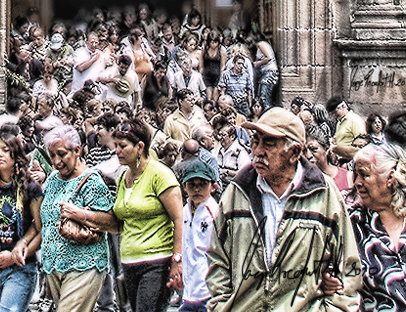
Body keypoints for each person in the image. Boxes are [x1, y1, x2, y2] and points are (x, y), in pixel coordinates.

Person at [207, 107, 362, 311]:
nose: (258, 151)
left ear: (295, 152)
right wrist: (221, 305)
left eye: (269, 144)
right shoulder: (238, 191)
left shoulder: (323, 194)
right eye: (255, 141)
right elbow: (217, 257)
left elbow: (348, 266)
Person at [60, 117, 184, 312]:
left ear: (140, 147)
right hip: (129, 262)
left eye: (122, 146)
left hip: (157, 260)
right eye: (115, 145)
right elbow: (118, 223)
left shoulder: (160, 174)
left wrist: (177, 260)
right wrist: (84, 216)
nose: (116, 151)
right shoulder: (123, 177)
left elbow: (178, 218)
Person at [40, 125, 113, 312]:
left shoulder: (92, 181)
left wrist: (81, 215)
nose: (56, 161)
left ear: (77, 150)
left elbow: (113, 222)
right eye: (52, 155)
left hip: (84, 264)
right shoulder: (53, 179)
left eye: (62, 154)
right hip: (54, 266)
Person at [0, 131, 42, 312]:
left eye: (5, 150)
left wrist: (15, 257)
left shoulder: (30, 187)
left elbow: (39, 228)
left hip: (20, 269)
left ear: (15, 154)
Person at [348, 142, 406, 311]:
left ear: (390, 177)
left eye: (364, 175)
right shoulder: (352, 225)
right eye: (355, 175)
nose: (357, 183)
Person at [179, 159, 218, 312]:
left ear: (213, 187)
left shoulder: (215, 212)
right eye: (192, 185)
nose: (197, 189)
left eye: (202, 184)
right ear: (184, 187)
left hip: (208, 288)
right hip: (189, 287)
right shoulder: (184, 212)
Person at [326, 97, 366, 162]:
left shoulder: (355, 120)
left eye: (335, 112)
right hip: (341, 158)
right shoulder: (340, 122)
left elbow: (362, 143)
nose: (334, 115)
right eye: (332, 113)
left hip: (351, 159)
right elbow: (337, 138)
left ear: (343, 107)